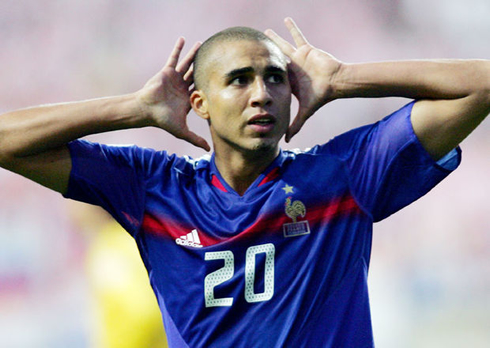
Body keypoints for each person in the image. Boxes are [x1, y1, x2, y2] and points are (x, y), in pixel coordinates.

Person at [0, 17, 488, 347]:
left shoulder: (342, 176)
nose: (262, 94)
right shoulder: (153, 188)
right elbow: (7, 141)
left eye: (276, 78)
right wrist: (133, 108)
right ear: (199, 103)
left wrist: (345, 78)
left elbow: (481, 85)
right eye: (238, 80)